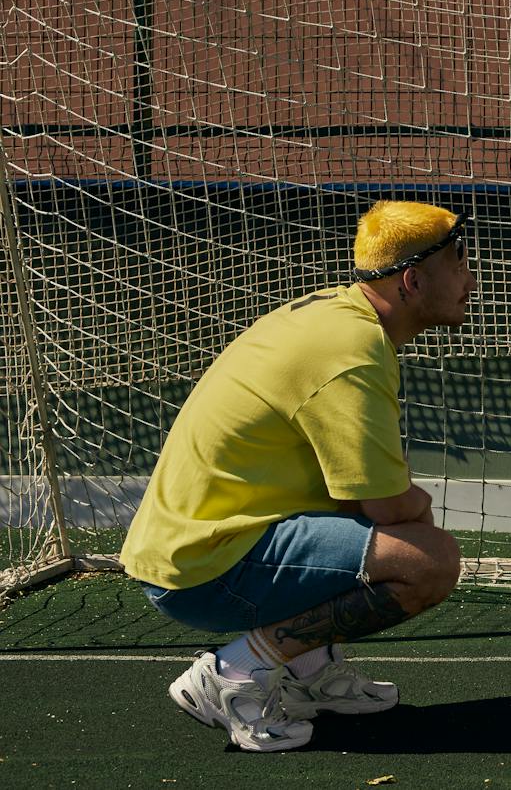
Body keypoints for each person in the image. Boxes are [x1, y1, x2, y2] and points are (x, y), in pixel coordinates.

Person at [121, 200, 473, 749]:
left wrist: (402, 509)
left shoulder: (343, 318)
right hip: (204, 564)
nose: (469, 277)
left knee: (385, 533)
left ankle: (311, 673)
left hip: (212, 543)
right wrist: (415, 514)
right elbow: (384, 506)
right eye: (459, 262)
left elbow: (358, 498)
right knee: (429, 562)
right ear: (412, 281)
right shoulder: (351, 351)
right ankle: (233, 672)